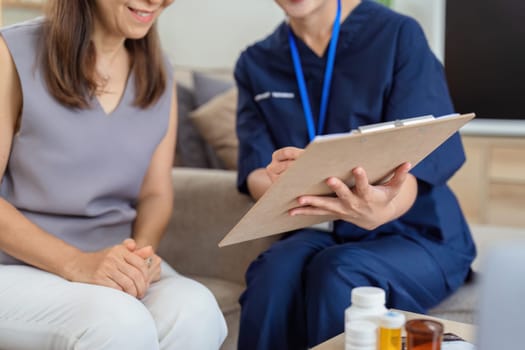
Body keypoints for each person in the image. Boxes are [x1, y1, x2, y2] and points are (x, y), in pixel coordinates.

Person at [234, 0, 476, 349]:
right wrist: (281, 182)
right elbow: (255, 171)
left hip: (417, 230)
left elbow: (420, 157)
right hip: (325, 227)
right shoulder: (256, 62)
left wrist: (383, 208)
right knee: (272, 272)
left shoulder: (396, 35)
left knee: (340, 273)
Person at [0, 1, 227, 349]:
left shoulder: (159, 72)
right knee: (117, 321)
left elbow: (155, 193)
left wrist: (140, 258)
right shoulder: (12, 54)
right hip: (15, 265)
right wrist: (78, 264)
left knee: (197, 311)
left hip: (110, 261)